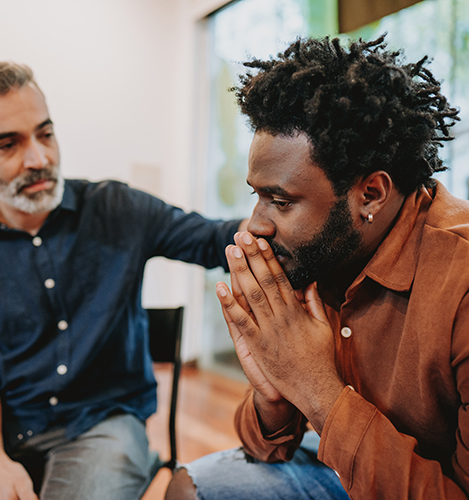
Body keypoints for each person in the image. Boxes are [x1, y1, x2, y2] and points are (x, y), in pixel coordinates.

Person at [165, 34, 469, 499]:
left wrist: (313, 387)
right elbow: (263, 449)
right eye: (257, 195)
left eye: (280, 200)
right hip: (343, 466)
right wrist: (272, 394)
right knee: (188, 490)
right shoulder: (317, 257)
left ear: (370, 194)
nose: (254, 226)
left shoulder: (461, 283)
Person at [0, 61, 245, 500]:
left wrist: (297, 215)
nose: (39, 159)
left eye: (45, 134)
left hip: (105, 423)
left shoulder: (116, 208)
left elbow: (214, 240)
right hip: (6, 427)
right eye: (8, 145)